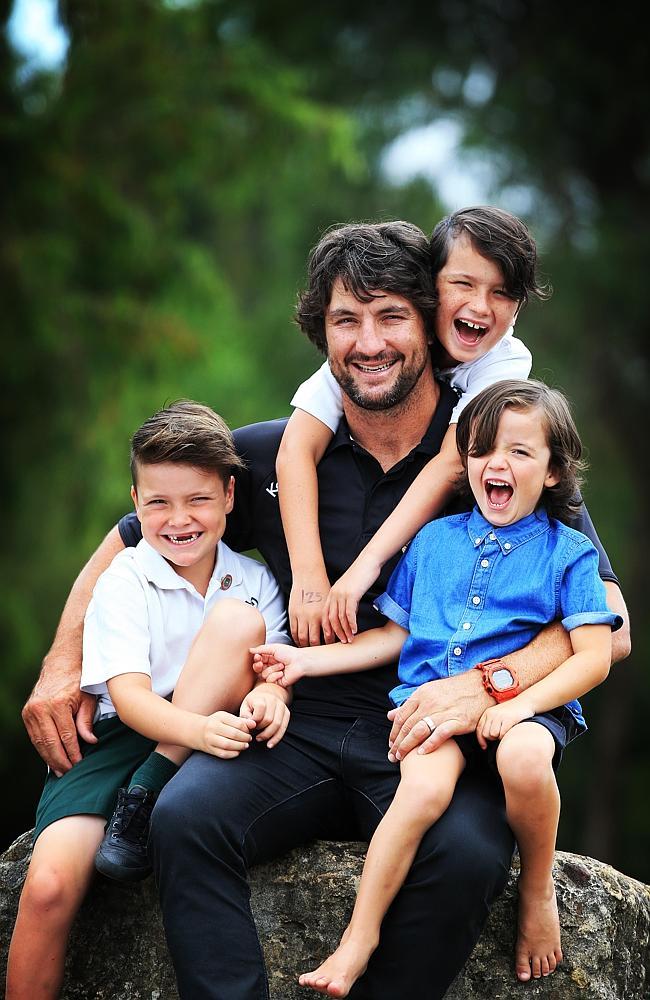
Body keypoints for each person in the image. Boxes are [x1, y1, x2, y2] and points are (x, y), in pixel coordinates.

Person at [22, 221, 630, 1000]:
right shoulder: (271, 452)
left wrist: (486, 687)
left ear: (429, 325)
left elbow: (611, 622)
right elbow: (132, 534)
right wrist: (65, 659)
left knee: (472, 857)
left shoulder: (491, 455)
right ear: (322, 332)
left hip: (426, 725)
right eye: (346, 321)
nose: (368, 344)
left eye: (390, 317)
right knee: (185, 820)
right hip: (291, 724)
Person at [252, 378, 622, 996]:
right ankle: (359, 938)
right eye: (481, 450)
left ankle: (536, 891)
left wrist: (521, 704)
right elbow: (396, 637)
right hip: (432, 705)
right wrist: (306, 663)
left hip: (528, 711)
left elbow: (594, 658)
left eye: (521, 452)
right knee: (419, 789)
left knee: (525, 756)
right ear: (465, 464)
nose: (496, 464)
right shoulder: (433, 541)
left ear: (555, 472)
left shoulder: (571, 555)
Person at [6, 401, 290, 1000]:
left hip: (200, 736)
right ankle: (141, 791)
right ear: (135, 503)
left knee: (239, 624)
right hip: (121, 738)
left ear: (231, 498)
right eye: (158, 502)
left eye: (198, 500)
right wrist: (197, 731)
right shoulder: (124, 579)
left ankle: (149, 792)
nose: (178, 519)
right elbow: (130, 699)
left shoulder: (256, 581)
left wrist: (270, 698)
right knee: (50, 884)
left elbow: (271, 671)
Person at [278, 207, 547, 647]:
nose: (479, 306)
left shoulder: (504, 366)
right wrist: (308, 580)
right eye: (462, 284)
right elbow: (295, 449)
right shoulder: (361, 355)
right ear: (433, 284)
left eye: (501, 293)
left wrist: (361, 571)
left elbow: (450, 463)